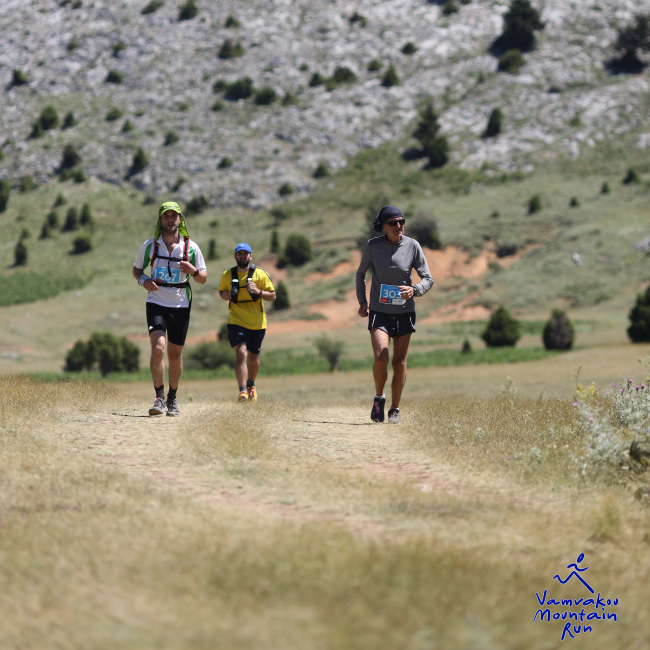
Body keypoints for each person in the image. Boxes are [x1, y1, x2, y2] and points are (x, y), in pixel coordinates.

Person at [356, 205, 433, 423]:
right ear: (383, 226)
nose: (398, 226)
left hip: (404, 312)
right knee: (381, 357)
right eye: (393, 223)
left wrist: (415, 290)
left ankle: (395, 409)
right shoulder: (373, 246)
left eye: (402, 222)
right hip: (379, 312)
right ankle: (379, 398)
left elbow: (428, 278)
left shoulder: (413, 246)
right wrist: (362, 301)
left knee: (399, 363)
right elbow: (360, 273)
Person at [133, 202, 207, 416]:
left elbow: (203, 278)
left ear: (180, 219)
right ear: (161, 220)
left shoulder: (191, 247)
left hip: (181, 304)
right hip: (156, 301)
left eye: (174, 215)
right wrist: (144, 280)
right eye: (166, 216)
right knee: (158, 349)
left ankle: (173, 399)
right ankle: (159, 398)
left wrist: (193, 271)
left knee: (175, 356)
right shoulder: (151, 246)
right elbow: (137, 269)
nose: (170, 219)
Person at [219, 243, 276, 402]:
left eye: (245, 253)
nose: (242, 256)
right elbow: (222, 290)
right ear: (235, 256)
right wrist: (223, 295)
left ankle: (251, 384)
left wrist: (258, 291)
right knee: (241, 352)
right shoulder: (227, 275)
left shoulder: (260, 274)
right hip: (236, 320)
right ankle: (242, 391)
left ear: (251, 256)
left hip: (257, 322)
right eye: (239, 253)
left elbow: (272, 296)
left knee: (253, 358)